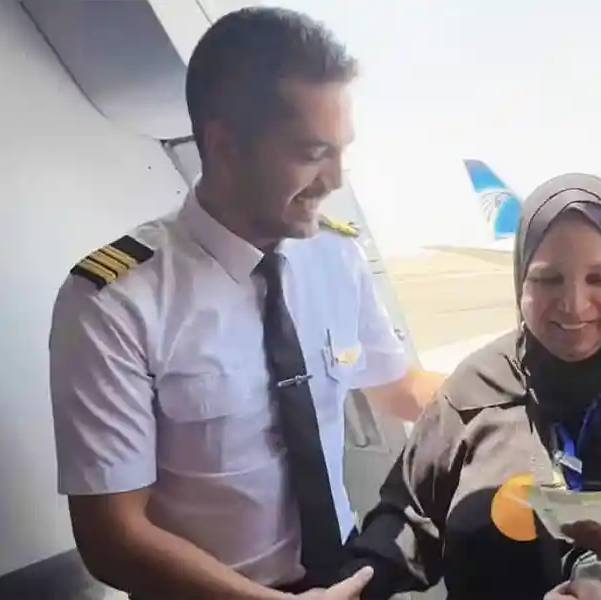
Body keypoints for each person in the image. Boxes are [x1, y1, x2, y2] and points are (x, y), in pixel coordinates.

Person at [47, 7, 445, 600]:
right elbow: (112, 534)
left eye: (342, 151)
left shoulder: (336, 257)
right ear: (225, 145)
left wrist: (508, 401)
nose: (335, 178)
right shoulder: (115, 302)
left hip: (343, 580)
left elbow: (397, 386)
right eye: (313, 153)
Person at [339, 173, 601, 600]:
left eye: (599, 278)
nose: (574, 305)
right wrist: (355, 583)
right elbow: (408, 518)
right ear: (520, 279)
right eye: (547, 279)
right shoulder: (474, 392)